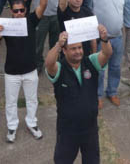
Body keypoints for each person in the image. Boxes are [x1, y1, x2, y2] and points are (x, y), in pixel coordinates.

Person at [0, 0, 48, 143]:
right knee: (11, 102)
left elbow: (43, 6)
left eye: (21, 10)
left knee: (32, 100)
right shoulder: (6, 25)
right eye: (15, 11)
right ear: (11, 11)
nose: (18, 13)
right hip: (12, 71)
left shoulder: (31, 20)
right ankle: (12, 126)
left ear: (25, 10)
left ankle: (32, 123)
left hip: (30, 70)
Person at [46, 24, 112, 164]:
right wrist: (58, 44)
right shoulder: (60, 68)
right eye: (73, 48)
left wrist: (104, 39)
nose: (78, 52)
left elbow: (106, 54)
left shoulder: (91, 62)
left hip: (90, 128)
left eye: (80, 47)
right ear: (64, 51)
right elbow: (49, 64)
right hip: (68, 130)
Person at [91, 0, 124, 108]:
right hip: (103, 39)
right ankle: (97, 95)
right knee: (100, 68)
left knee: (116, 67)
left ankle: (112, 92)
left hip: (118, 37)